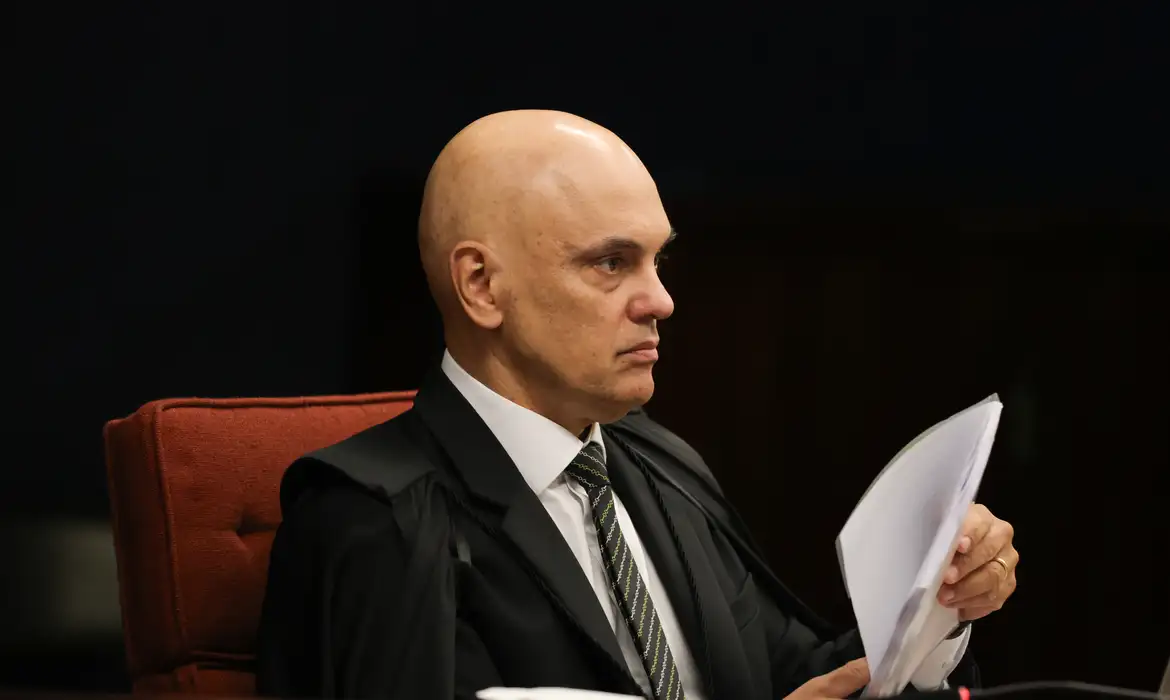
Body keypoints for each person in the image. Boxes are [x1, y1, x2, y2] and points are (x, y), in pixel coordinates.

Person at [256, 110, 1020, 700]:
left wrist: (937, 607)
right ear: (482, 286)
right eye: (612, 263)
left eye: (658, 261)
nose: (661, 301)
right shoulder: (374, 516)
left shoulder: (660, 463)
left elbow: (797, 677)